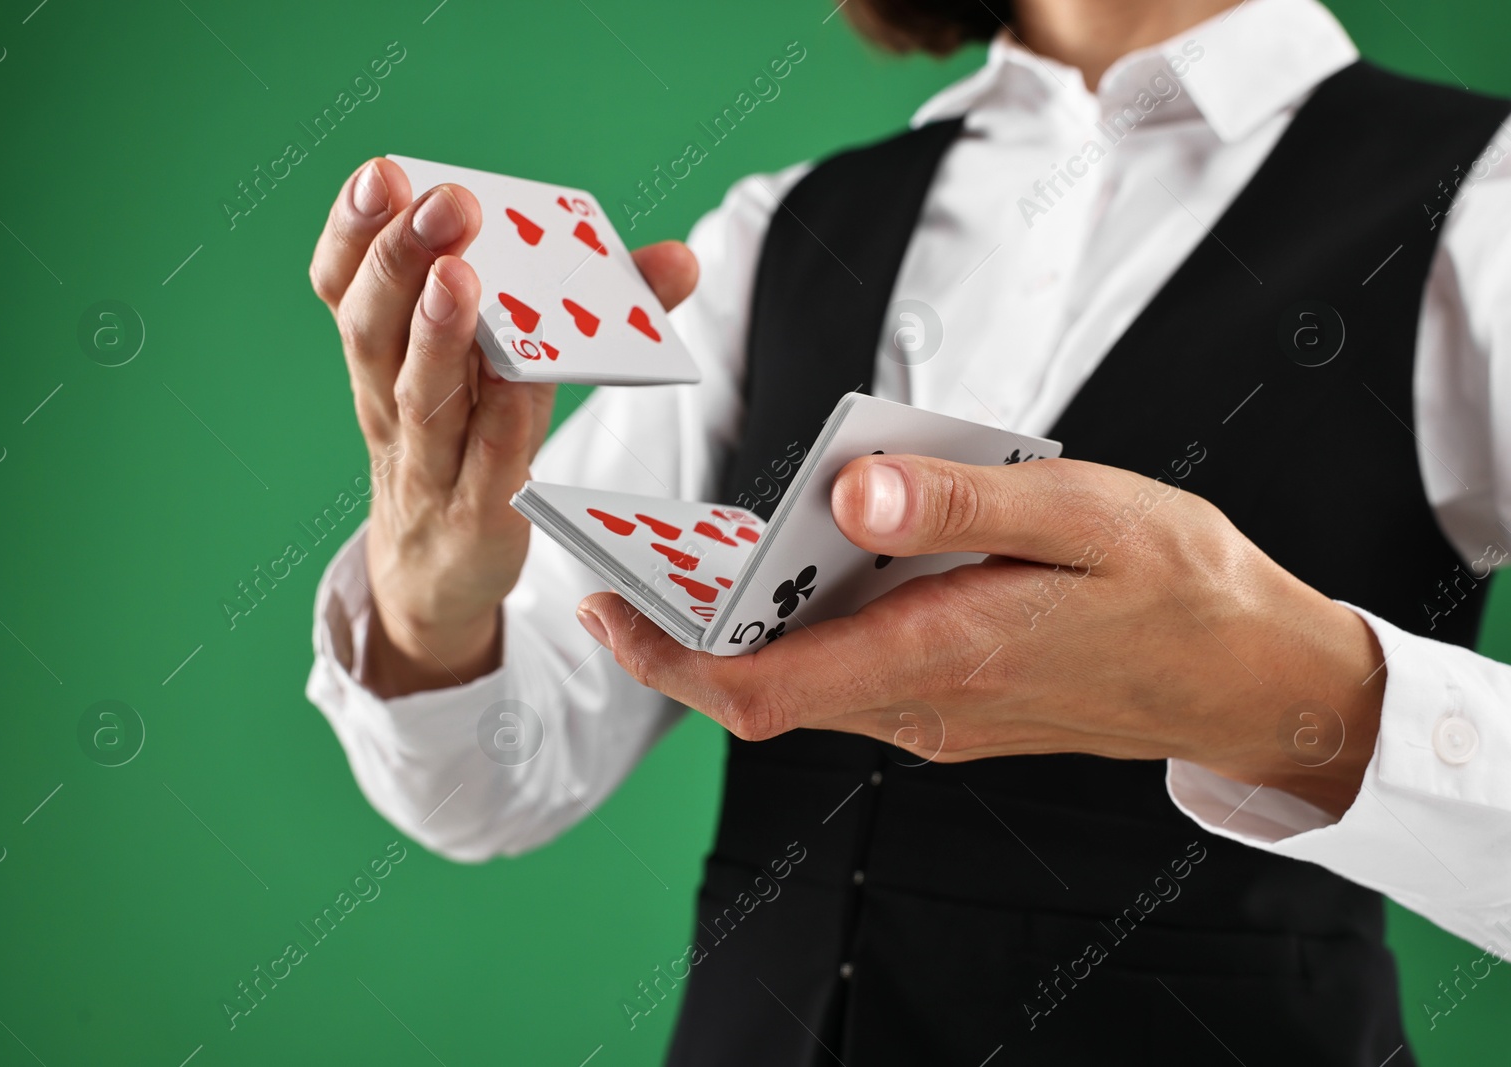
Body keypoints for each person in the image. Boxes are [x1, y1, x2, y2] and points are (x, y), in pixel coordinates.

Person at [304, 0, 1511, 1061]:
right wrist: (429, 598)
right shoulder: (776, 228)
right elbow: (489, 782)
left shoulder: (1484, 208)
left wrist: (1305, 695)